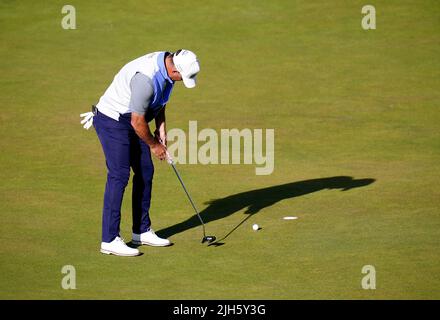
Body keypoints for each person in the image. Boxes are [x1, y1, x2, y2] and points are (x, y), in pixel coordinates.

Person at [80, 49, 200, 256]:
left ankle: (141, 231)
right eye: (181, 77)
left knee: (145, 171)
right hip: (113, 120)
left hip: (134, 118)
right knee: (119, 175)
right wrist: (154, 145)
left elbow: (159, 101)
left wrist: (161, 128)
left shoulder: (167, 66)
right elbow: (137, 121)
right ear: (174, 70)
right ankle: (109, 239)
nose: (181, 81)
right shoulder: (145, 79)